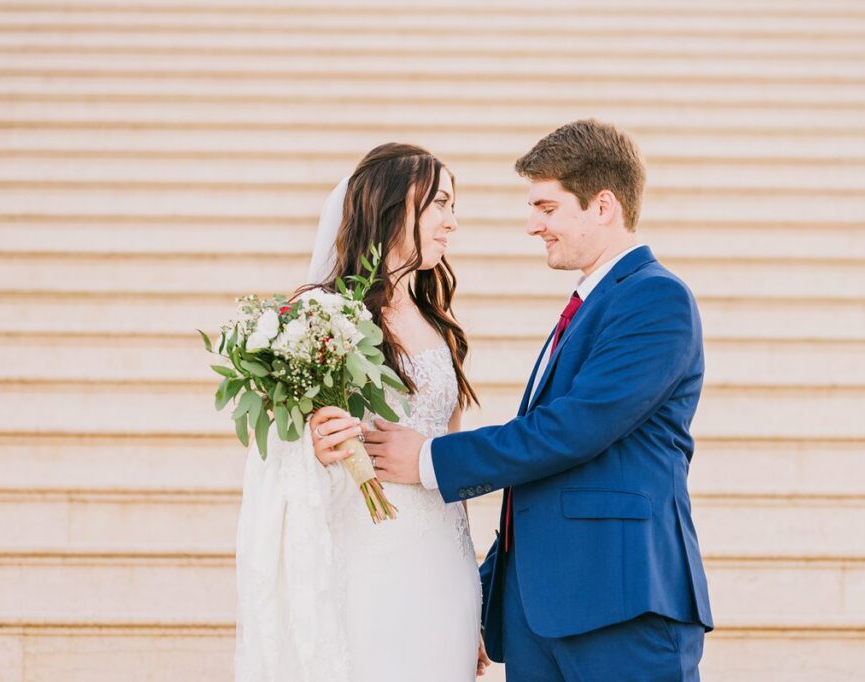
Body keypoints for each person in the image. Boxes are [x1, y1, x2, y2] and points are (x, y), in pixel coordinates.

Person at [361, 120, 714, 681]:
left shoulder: (655, 298)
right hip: (538, 613)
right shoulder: (587, 305)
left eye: (547, 208)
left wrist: (428, 459)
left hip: (621, 605)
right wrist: (479, 596)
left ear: (603, 207)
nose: (532, 226)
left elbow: (570, 430)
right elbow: (542, 478)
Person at [234, 143, 491, 681]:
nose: (452, 222)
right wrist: (315, 445)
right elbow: (281, 443)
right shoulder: (322, 314)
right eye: (441, 204)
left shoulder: (437, 321)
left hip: (444, 565)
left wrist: (477, 592)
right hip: (370, 558)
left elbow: (447, 454)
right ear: (396, 206)